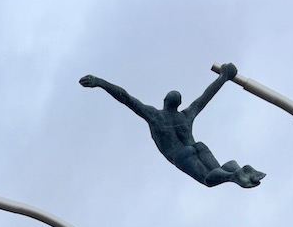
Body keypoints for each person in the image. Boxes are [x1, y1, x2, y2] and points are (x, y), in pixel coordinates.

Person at [79, 64, 264, 189]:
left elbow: (125, 97)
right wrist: (224, 76)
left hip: (181, 155)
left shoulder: (154, 115)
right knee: (219, 170)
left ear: (165, 101)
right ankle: (236, 169)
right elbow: (206, 96)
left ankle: (235, 175)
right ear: (179, 103)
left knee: (209, 180)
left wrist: (100, 82)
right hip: (198, 145)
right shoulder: (186, 115)